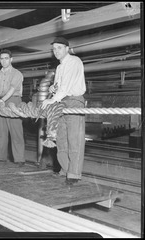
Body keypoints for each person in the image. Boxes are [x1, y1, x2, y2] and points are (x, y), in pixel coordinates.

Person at [40, 37, 86, 185]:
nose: (56, 51)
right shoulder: (59, 67)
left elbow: (66, 87)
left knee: (74, 140)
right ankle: (65, 171)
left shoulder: (74, 61)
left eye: (59, 48)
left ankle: (74, 174)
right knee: (61, 141)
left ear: (67, 48)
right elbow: (61, 87)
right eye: (54, 49)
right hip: (61, 102)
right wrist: (54, 89)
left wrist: (51, 100)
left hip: (73, 101)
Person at [0, 49, 25, 167]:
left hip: (13, 100)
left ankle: (19, 159)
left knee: (15, 131)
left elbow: (12, 90)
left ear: (11, 59)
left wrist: (1, 100)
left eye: (6, 58)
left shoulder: (17, 73)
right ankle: (0, 157)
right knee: (0, 131)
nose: (4, 61)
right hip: (1, 100)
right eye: (1, 59)